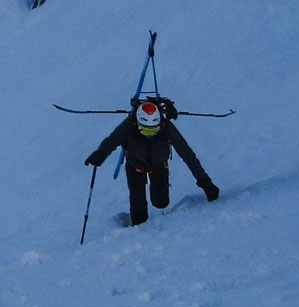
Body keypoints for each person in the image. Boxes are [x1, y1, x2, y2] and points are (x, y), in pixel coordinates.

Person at [85, 97, 220, 227]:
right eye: (145, 130)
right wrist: (100, 155)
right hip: (135, 167)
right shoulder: (129, 125)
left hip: (158, 167)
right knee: (139, 217)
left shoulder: (166, 127)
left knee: (161, 202)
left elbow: (187, 154)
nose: (149, 134)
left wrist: (206, 183)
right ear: (138, 123)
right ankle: (130, 221)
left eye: (154, 130)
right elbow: (112, 141)